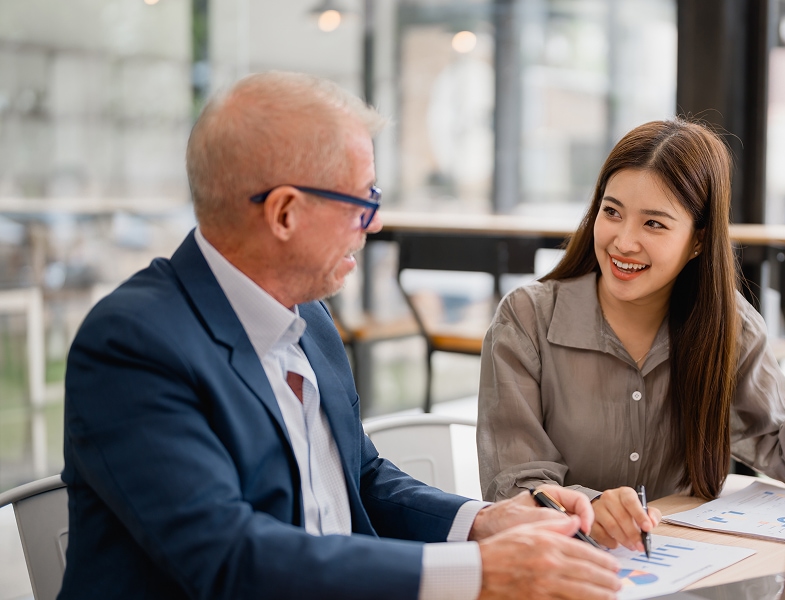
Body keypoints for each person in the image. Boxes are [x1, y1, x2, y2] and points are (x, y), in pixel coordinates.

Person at [60, 71, 621, 600]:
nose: (375, 223)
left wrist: (482, 522)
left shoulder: (309, 315)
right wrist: (479, 573)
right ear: (284, 214)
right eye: (363, 201)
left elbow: (359, 475)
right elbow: (228, 560)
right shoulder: (132, 346)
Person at [477, 119, 785, 553]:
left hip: (678, 567)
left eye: (654, 224)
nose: (623, 241)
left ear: (698, 241)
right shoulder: (526, 318)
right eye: (611, 212)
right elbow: (515, 486)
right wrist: (594, 506)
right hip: (561, 565)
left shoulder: (731, 327)